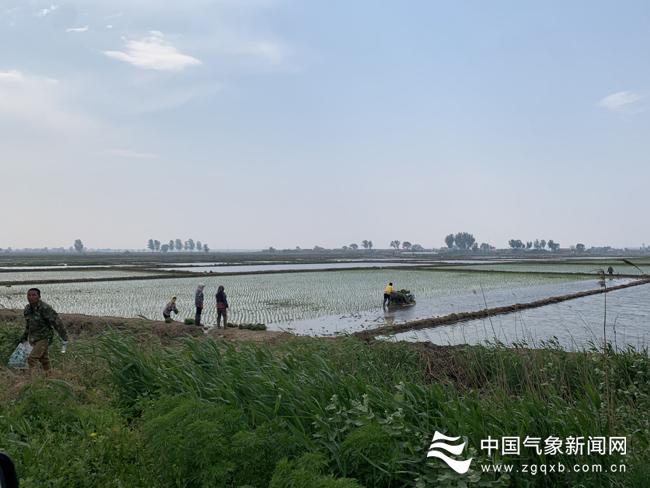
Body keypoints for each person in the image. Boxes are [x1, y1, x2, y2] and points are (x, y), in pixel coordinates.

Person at [19, 288, 68, 372]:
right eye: (29, 295)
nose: (31, 297)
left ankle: (29, 380)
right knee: (44, 360)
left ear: (39, 296)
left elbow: (57, 323)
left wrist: (64, 337)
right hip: (34, 338)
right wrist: (24, 337)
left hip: (44, 337)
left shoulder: (45, 308)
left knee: (31, 358)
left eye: (34, 295)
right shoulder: (27, 309)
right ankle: (50, 377)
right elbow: (28, 325)